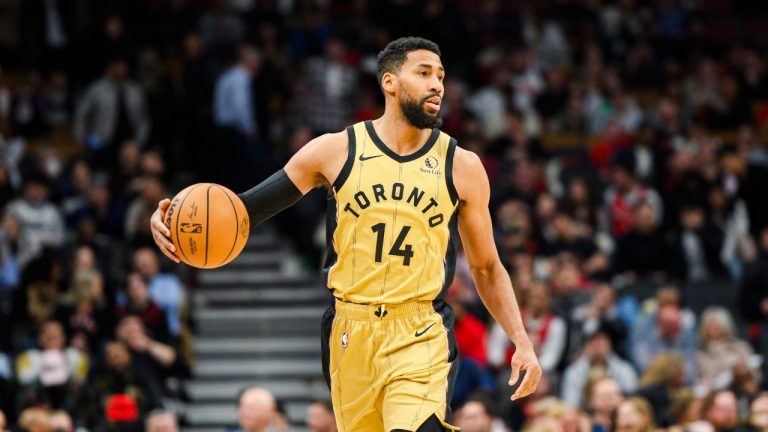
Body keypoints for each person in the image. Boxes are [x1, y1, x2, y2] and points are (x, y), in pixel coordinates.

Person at [150, 36, 541, 431]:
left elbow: (487, 267)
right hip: (349, 332)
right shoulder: (335, 150)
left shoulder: (462, 166)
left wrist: (521, 341)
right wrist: (172, 222)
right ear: (389, 82)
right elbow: (243, 210)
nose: (437, 84)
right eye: (423, 73)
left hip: (420, 329)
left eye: (440, 75)